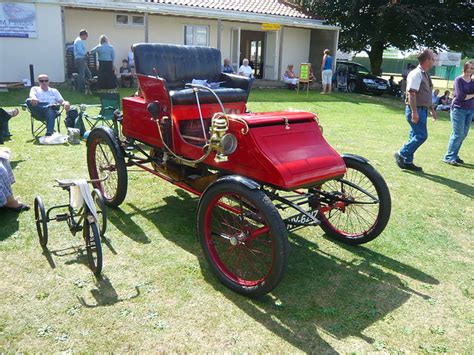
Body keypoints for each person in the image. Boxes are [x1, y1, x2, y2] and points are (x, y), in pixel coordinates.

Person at [394, 49, 437, 172]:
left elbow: (427, 94)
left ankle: (408, 161)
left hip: (421, 109)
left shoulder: (425, 74)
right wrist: (414, 112)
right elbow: (412, 93)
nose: (434, 61)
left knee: (414, 135)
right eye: (432, 58)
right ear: (427, 60)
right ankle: (402, 153)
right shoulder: (416, 74)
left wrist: (431, 109)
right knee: (421, 135)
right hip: (416, 109)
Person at [443, 60, 474, 166]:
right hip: (458, 109)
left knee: (463, 134)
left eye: (472, 68)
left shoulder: (472, 81)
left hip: (470, 110)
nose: (470, 70)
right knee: (458, 134)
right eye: (468, 68)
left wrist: (469, 95)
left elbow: (466, 96)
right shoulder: (458, 79)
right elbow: (460, 96)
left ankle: (454, 155)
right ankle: (449, 156)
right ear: (464, 68)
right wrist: (472, 95)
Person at [73, 29, 91, 94]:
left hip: (80, 59)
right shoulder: (79, 41)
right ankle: (81, 89)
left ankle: (89, 87)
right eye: (86, 35)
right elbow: (80, 50)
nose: (87, 37)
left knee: (88, 73)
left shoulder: (78, 40)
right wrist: (85, 54)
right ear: (83, 35)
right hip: (81, 59)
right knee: (82, 74)